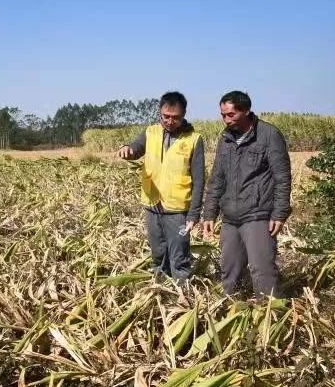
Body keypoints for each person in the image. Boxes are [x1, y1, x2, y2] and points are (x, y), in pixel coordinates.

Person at [201, 90, 292, 298]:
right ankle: (232, 312)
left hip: (257, 213)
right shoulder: (225, 139)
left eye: (231, 114)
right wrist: (209, 213)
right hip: (230, 217)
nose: (226, 120)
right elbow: (217, 178)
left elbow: (282, 177)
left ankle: (269, 316)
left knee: (262, 270)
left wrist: (279, 213)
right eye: (223, 115)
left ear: (246, 110)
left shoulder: (269, 135)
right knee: (229, 270)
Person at [117, 91, 205, 280]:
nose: (170, 121)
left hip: (178, 210)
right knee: (158, 254)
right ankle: (159, 291)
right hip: (152, 205)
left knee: (179, 257)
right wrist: (127, 148)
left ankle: (183, 298)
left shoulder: (194, 140)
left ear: (183, 115)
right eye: (166, 116)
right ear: (160, 112)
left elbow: (199, 181)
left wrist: (194, 214)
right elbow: (135, 148)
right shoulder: (151, 132)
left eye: (175, 117)